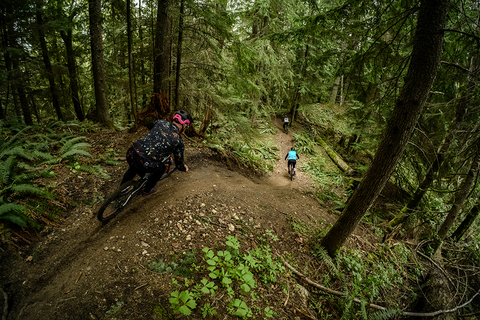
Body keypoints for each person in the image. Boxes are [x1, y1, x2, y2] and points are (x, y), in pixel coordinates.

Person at [120, 110, 193, 196]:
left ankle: (121, 191)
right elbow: (179, 164)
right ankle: (147, 190)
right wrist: (184, 168)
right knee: (161, 169)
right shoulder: (178, 142)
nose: (185, 129)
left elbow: (150, 125)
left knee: (133, 167)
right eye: (186, 127)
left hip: (132, 151)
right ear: (184, 125)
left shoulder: (161, 122)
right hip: (144, 162)